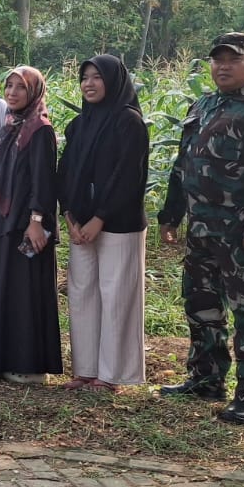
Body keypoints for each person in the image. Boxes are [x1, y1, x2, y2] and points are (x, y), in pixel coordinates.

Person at [157, 32, 244, 425]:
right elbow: (183, 165)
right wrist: (171, 215)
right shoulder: (202, 105)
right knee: (201, 306)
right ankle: (206, 378)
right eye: (218, 60)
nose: (224, 66)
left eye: (233, 59)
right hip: (201, 229)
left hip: (242, 233)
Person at [57, 55, 150, 390]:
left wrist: (100, 217)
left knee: (116, 295)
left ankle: (112, 374)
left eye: (97, 77)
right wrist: (69, 215)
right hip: (80, 225)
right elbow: (65, 172)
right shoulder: (79, 124)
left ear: (114, 80)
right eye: (84, 77)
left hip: (118, 223)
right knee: (82, 293)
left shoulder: (129, 122)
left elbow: (128, 177)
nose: (89, 84)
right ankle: (85, 369)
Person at [0, 67, 62, 385]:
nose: (12, 92)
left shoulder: (40, 129)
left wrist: (36, 221)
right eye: (9, 86)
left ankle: (29, 365)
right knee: (3, 289)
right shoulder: (9, 125)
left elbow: (43, 180)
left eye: (20, 87)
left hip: (26, 224)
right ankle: (0, 359)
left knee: (25, 291)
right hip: (2, 221)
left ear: (34, 92)